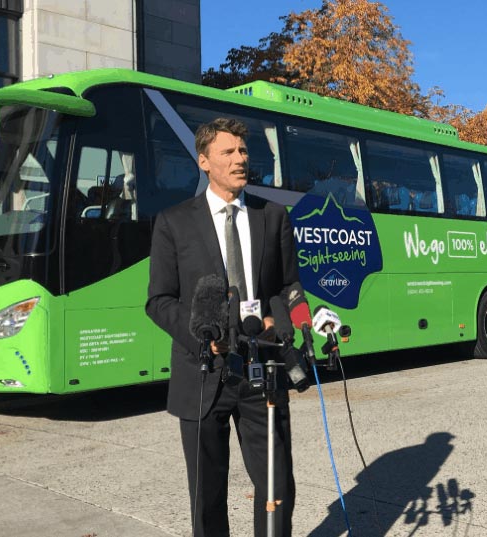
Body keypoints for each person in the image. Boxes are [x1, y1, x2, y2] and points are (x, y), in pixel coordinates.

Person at [146, 118, 300, 537]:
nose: (239, 159)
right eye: (228, 152)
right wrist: (201, 334)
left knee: (277, 486)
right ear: (204, 161)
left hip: (262, 370)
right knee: (207, 495)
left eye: (243, 151)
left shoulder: (273, 216)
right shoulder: (174, 222)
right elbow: (159, 301)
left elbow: (288, 287)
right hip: (202, 374)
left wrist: (281, 320)